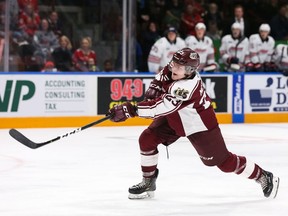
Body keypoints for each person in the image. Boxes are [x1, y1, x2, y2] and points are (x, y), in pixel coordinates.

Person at [107, 47, 280, 200]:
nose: (173, 67)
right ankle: (148, 181)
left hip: (198, 126)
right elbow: (162, 75)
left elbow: (160, 107)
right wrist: (155, 85)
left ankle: (263, 175)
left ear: (189, 71)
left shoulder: (186, 87)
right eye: (174, 63)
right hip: (175, 117)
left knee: (223, 162)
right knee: (147, 139)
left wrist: (132, 109)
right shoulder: (174, 69)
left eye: (179, 67)